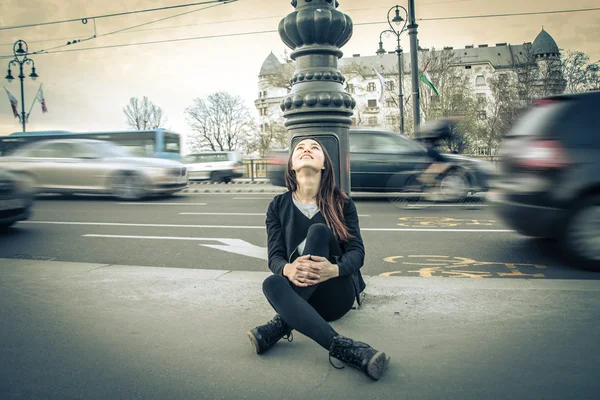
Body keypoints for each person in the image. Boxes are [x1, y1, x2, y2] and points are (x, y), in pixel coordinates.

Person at [247, 137, 390, 381]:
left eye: (314, 148)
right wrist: (288, 269)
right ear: (292, 165)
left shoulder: (341, 201)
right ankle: (347, 349)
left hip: (336, 293)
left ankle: (279, 326)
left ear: (324, 165)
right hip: (304, 302)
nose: (307, 150)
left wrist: (334, 269)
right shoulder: (277, 206)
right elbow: (275, 258)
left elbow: (357, 252)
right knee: (272, 282)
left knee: (319, 232)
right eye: (300, 148)